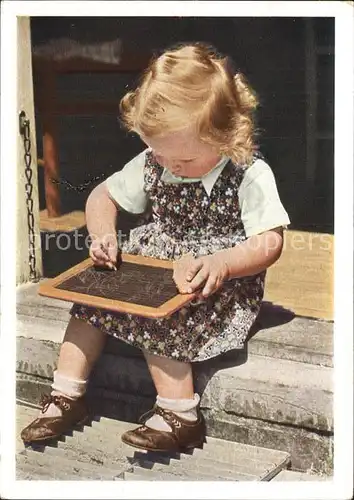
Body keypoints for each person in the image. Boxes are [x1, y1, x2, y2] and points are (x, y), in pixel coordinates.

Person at [21, 42, 290, 452]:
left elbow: (270, 239)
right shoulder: (156, 159)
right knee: (90, 301)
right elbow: (101, 197)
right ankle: (65, 396)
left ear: (223, 135)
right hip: (154, 269)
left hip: (214, 283)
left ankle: (180, 414)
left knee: (159, 315)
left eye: (180, 160)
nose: (167, 166)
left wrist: (224, 262)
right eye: (160, 155)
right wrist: (103, 234)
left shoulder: (247, 172)